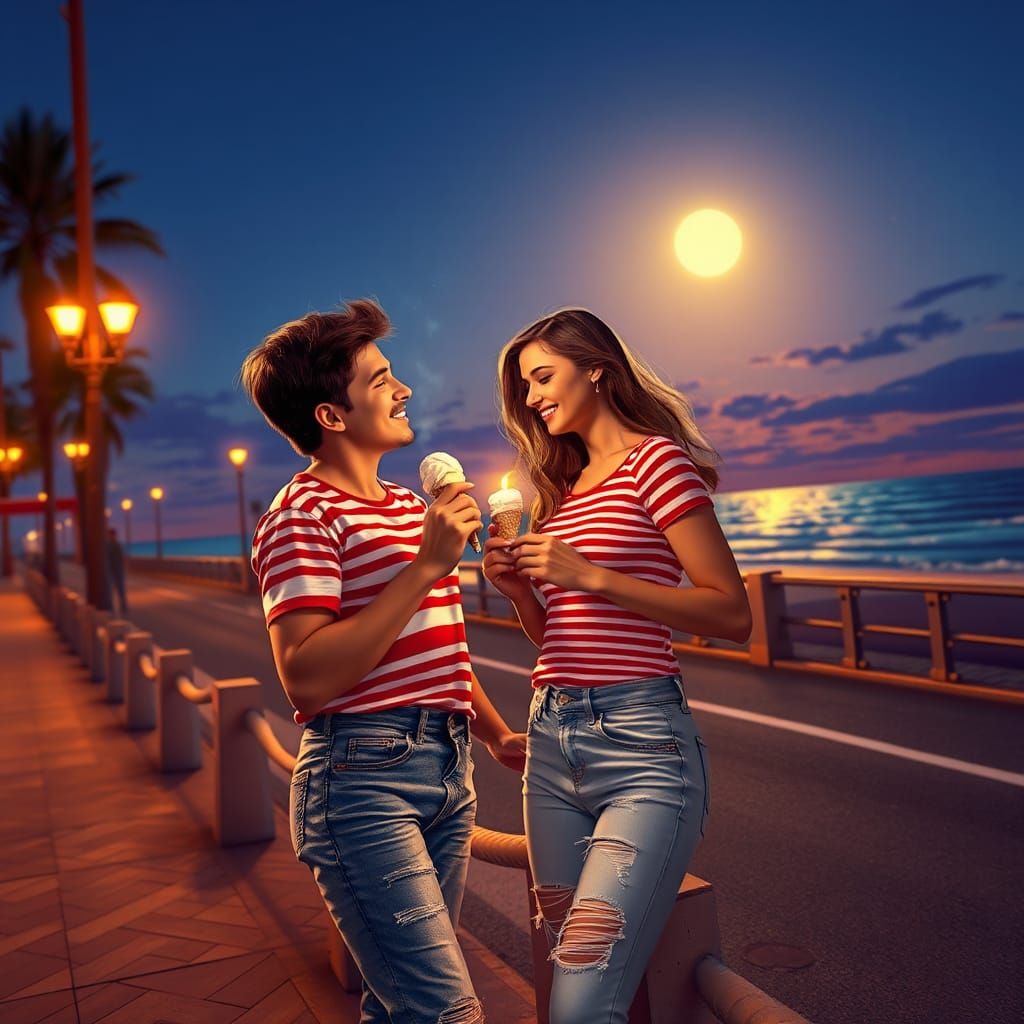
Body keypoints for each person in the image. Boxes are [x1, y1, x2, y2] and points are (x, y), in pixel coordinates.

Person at [241, 299, 525, 1024]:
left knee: (401, 1005)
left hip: (447, 766)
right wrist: (428, 564)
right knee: (445, 1011)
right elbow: (303, 673)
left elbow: (434, 648)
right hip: (362, 786)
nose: (402, 390)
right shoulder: (301, 514)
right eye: (382, 378)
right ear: (332, 416)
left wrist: (493, 732)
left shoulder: (407, 506)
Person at [482, 308, 751, 1024]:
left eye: (543, 377)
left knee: (580, 990)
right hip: (550, 744)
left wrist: (588, 573)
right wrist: (518, 593)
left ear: (596, 367)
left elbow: (730, 612)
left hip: (641, 747)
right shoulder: (561, 494)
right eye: (525, 387)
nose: (533, 397)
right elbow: (564, 639)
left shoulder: (656, 462)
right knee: (568, 959)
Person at [106, 527, 128, 616]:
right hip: (116, 570)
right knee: (119, 589)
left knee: (114, 589)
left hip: (113, 571)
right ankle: (122, 606)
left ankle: (115, 607)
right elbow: (123, 558)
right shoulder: (117, 545)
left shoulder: (109, 545)